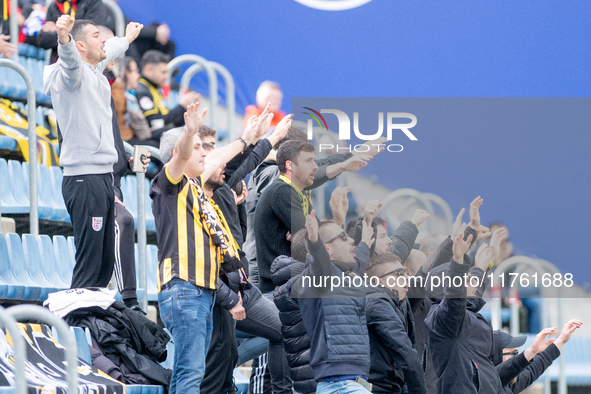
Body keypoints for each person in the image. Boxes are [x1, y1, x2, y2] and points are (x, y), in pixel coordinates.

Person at [150, 102, 261, 393]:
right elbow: (183, 152)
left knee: (195, 372)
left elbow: (220, 158)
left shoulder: (196, 183)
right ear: (181, 153)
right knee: (190, 372)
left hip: (202, 290)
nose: (205, 153)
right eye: (199, 147)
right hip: (184, 287)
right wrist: (188, 132)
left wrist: (246, 139)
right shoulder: (169, 184)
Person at [43, 15, 143, 289]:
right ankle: (76, 326)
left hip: (101, 179)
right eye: (97, 35)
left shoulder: (93, 71)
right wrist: (63, 38)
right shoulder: (71, 75)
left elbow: (108, 51)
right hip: (84, 179)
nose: (104, 40)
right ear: (81, 46)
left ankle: (94, 326)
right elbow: (69, 60)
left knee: (103, 265)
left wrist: (127, 40)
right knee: (89, 265)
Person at [425, 226, 551, 394]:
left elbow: (468, 295)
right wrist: (457, 260)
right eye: (467, 280)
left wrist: (487, 263)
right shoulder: (445, 319)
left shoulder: (462, 314)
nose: (475, 284)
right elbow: (454, 302)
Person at [294, 206, 376, 394]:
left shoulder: (344, 277)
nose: (351, 240)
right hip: (340, 386)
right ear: (327, 249)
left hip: (350, 384)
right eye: (344, 237)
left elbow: (359, 261)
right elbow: (320, 262)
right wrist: (315, 242)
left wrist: (366, 232)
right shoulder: (319, 277)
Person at [99, 25, 149, 313]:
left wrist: (127, 161)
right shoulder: (84, 85)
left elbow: (112, 138)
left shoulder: (105, 87)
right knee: (124, 221)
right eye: (106, 43)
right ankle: (129, 300)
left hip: (111, 179)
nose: (113, 52)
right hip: (94, 181)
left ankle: (121, 301)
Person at [365, 252, 427, 394]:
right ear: (378, 281)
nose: (406, 277)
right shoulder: (377, 302)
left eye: (405, 272)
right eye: (399, 273)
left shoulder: (399, 302)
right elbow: (406, 354)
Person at [492, 320, 583, 393]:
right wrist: (531, 351)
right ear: (496, 358)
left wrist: (561, 340)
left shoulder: (509, 385)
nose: (517, 357)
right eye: (514, 353)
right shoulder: (488, 385)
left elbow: (533, 368)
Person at [136, 50, 200, 145]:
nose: (166, 77)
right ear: (148, 70)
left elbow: (167, 119)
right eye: (163, 72)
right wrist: (181, 106)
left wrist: (187, 109)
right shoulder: (142, 91)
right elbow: (155, 123)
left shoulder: (153, 89)